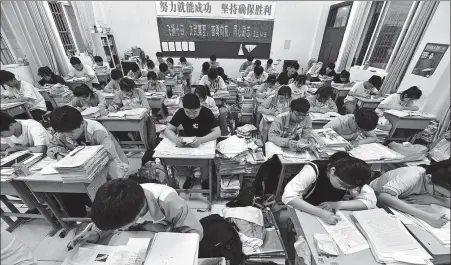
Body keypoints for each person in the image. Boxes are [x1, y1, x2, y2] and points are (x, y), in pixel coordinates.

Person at [66, 179, 203, 249]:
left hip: (167, 236)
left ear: (137, 217)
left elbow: (195, 235)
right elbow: (111, 217)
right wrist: (97, 233)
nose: (117, 230)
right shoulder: (117, 198)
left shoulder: (170, 203)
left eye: (119, 227)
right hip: (142, 233)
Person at [47, 106, 129, 216]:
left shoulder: (97, 131)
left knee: (109, 193)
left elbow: (110, 155)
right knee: (64, 185)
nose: (68, 136)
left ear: (81, 123)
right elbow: (52, 148)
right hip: (80, 169)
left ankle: (107, 210)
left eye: (71, 133)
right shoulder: (63, 131)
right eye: (64, 133)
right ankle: (79, 217)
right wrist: (59, 153)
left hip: (110, 167)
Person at [282, 152, 376, 224]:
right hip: (306, 207)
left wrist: (338, 204)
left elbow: (371, 202)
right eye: (342, 185)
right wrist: (321, 213)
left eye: (348, 187)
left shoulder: (352, 175)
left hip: (330, 212)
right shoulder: (312, 170)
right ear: (332, 170)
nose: (344, 189)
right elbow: (288, 197)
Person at [370, 160, 450, 228]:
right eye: (440, 194)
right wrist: (427, 217)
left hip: (401, 197)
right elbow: (384, 197)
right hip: (374, 196)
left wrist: (433, 199)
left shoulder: (435, 185)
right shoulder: (412, 176)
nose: (441, 197)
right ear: (428, 178)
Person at [164, 94, 221, 189]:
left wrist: (201, 139)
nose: (191, 115)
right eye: (188, 112)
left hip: (206, 141)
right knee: (178, 160)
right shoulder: (181, 112)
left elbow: (217, 132)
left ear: (200, 107)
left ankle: (204, 180)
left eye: (195, 112)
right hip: (189, 142)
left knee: (206, 162)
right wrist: (175, 139)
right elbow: (167, 129)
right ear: (183, 108)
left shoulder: (207, 112)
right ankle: (190, 176)